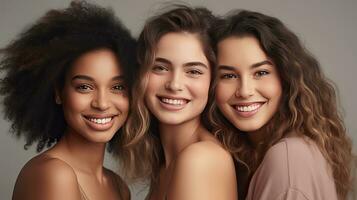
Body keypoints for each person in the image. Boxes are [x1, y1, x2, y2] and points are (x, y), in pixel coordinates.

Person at [209, 10, 354, 200]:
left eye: (261, 73)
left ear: (286, 78)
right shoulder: (270, 153)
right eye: (229, 76)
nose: (244, 91)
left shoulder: (287, 161)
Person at [0, 1, 136, 199]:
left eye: (117, 87)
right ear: (58, 92)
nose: (102, 103)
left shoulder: (118, 186)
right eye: (84, 87)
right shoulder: (53, 174)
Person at [117, 5, 237, 200]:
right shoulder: (166, 163)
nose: (174, 84)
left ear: (212, 82)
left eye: (194, 71)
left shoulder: (200, 158)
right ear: (140, 74)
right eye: (160, 67)